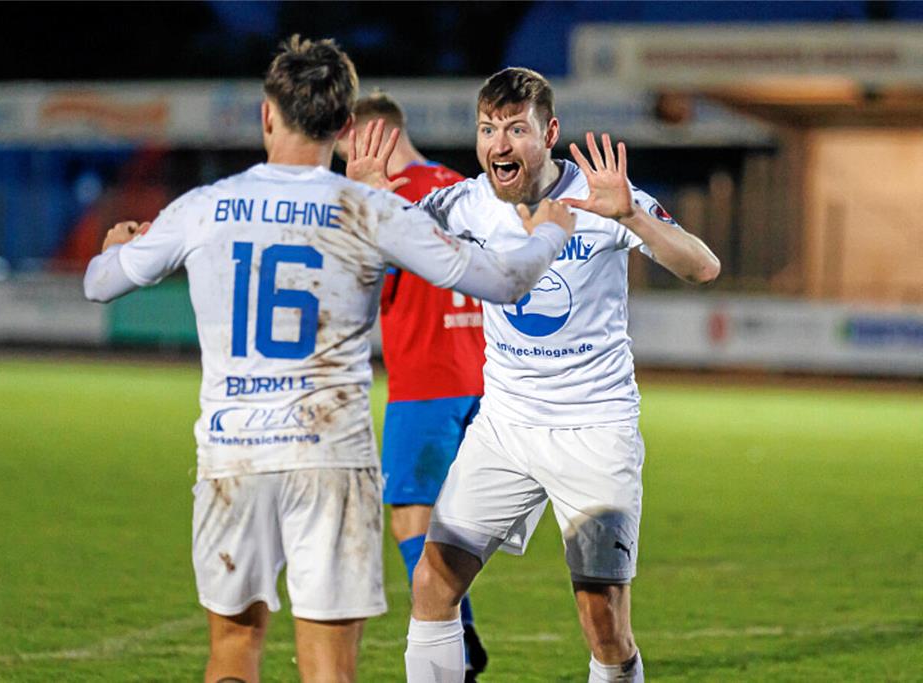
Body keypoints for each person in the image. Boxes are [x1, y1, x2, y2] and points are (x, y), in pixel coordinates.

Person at [82, 40, 576, 683]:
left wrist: (113, 246)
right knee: (329, 668)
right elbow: (504, 281)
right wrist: (550, 231)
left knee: (232, 651)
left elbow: (100, 284)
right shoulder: (368, 208)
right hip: (329, 458)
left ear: (267, 115)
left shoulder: (203, 207)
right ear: (346, 125)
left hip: (234, 456)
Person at [388, 68, 721, 682]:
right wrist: (366, 198)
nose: (499, 145)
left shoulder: (601, 199)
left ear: (550, 133)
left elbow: (703, 266)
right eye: (489, 129)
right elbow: (385, 238)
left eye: (516, 129)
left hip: (594, 430)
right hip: (505, 427)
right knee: (433, 580)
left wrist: (633, 218)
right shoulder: (466, 202)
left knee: (604, 624)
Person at [336, 93, 489, 680]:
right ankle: (458, 628)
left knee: (410, 516)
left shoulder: (389, 199)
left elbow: (358, 288)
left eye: (350, 143)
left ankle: (458, 630)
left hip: (424, 382)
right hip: (483, 378)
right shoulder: (464, 187)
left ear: (374, 137)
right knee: (467, 521)